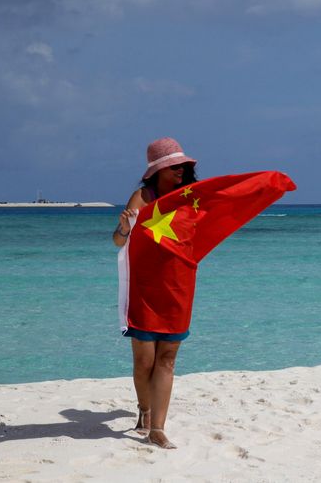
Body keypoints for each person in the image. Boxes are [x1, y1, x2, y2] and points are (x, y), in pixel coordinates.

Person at [113, 137, 197, 449]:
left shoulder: (191, 198)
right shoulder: (142, 197)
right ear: (158, 170)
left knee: (168, 357)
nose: (181, 170)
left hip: (178, 286)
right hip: (145, 289)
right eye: (175, 166)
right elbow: (119, 242)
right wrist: (123, 228)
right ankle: (144, 410)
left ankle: (157, 429)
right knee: (144, 361)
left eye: (184, 166)